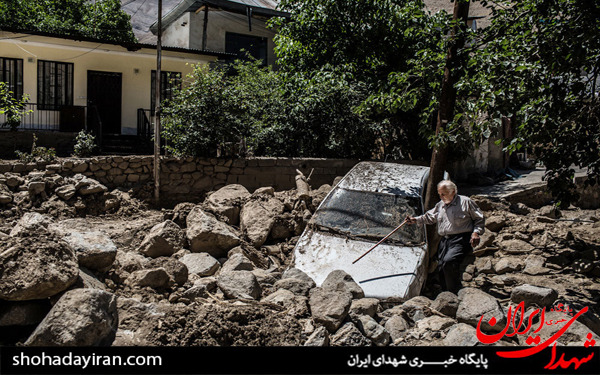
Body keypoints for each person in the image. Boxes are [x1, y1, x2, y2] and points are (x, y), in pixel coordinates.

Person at [406, 180, 485, 294]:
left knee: (449, 262)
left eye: (443, 194)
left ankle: (455, 292)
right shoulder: (440, 205)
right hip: (445, 240)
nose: (441, 196)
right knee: (441, 267)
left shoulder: (465, 202)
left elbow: (479, 218)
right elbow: (430, 217)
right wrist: (415, 220)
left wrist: (476, 233)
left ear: (452, 191)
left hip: (461, 239)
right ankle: (446, 294)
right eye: (440, 194)